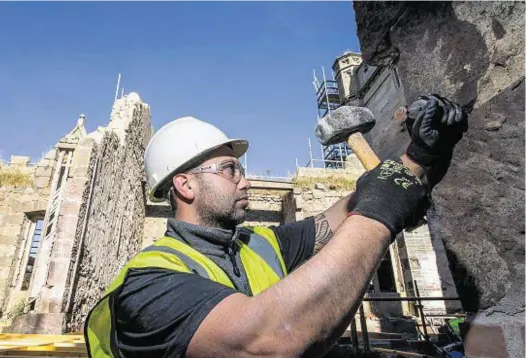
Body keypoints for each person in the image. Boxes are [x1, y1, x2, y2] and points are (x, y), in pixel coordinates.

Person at [85, 95, 468, 358]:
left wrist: (417, 160)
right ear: (185, 185)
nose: (246, 181)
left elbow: (345, 212)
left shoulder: (261, 243)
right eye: (230, 169)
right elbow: (265, 342)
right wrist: (383, 208)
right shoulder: (149, 282)